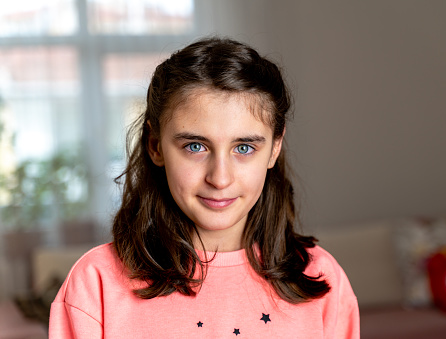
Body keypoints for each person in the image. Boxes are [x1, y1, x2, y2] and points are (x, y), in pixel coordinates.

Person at [49, 37, 359, 338]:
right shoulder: (96, 284)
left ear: (275, 149)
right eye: (195, 146)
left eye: (244, 148)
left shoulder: (322, 279)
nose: (220, 178)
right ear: (155, 145)